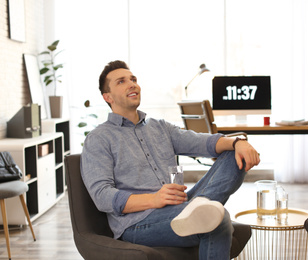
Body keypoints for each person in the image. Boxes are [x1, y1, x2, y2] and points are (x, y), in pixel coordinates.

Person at [81, 60, 260, 260]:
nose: (132, 84)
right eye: (121, 82)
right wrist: (154, 199)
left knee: (231, 156)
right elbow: (102, 196)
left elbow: (203, 143)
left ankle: (197, 210)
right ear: (108, 97)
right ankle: (199, 211)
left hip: (179, 207)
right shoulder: (98, 138)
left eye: (133, 79)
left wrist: (238, 142)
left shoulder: (160, 127)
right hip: (139, 223)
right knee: (218, 219)